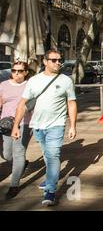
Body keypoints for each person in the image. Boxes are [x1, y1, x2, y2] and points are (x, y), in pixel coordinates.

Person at [11, 49, 77, 206]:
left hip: (57, 124)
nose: (58, 63)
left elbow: (71, 102)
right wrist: (16, 126)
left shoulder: (66, 80)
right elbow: (22, 104)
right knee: (47, 156)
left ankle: (50, 190)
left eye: (59, 60)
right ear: (45, 62)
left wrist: (72, 125)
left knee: (53, 155)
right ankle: (50, 178)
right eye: (54, 60)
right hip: (38, 125)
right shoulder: (34, 81)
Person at [0, 61, 32, 200]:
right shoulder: (3, 85)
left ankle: (14, 185)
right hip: (6, 123)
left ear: (26, 72)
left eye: (19, 71)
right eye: (14, 70)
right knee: (6, 154)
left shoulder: (30, 86)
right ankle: (22, 164)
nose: (16, 73)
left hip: (24, 123)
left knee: (18, 152)